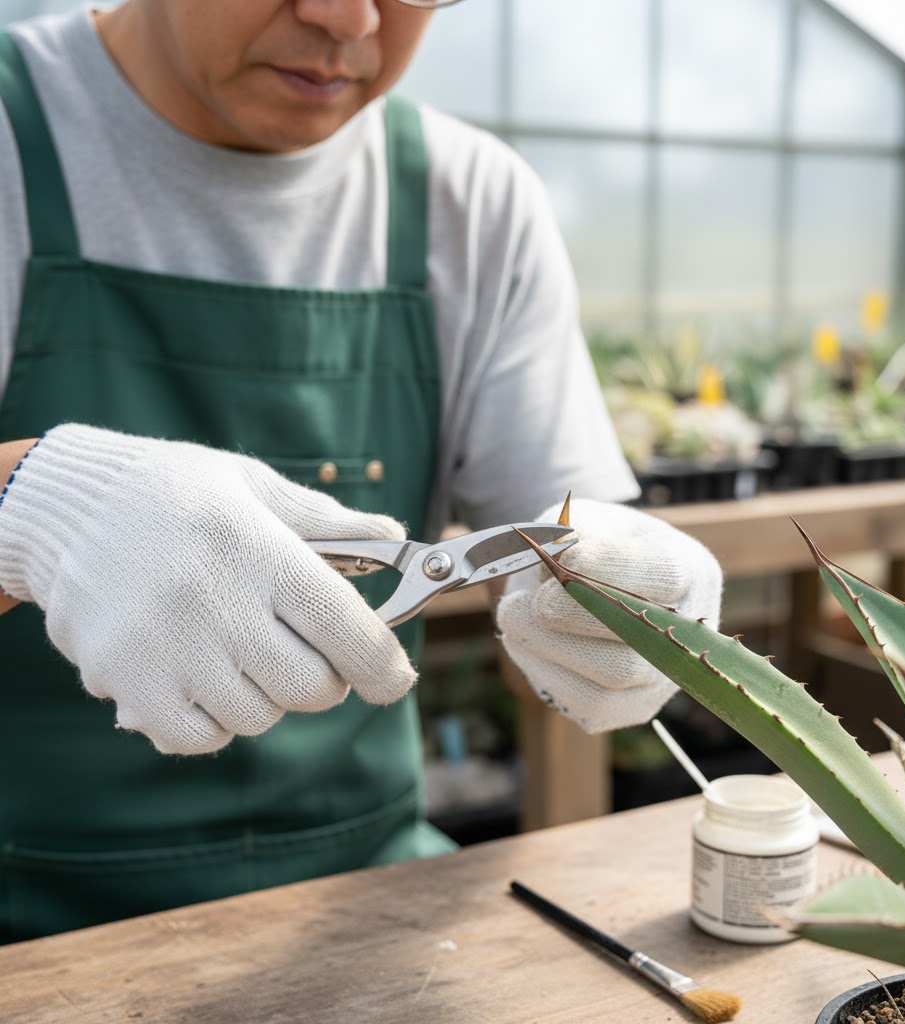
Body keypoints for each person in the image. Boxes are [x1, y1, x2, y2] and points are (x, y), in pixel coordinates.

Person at [0, 0, 723, 942]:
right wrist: (31, 508)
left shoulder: (470, 199)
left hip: (368, 909)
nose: (348, 19)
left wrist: (625, 598)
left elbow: (559, 533)